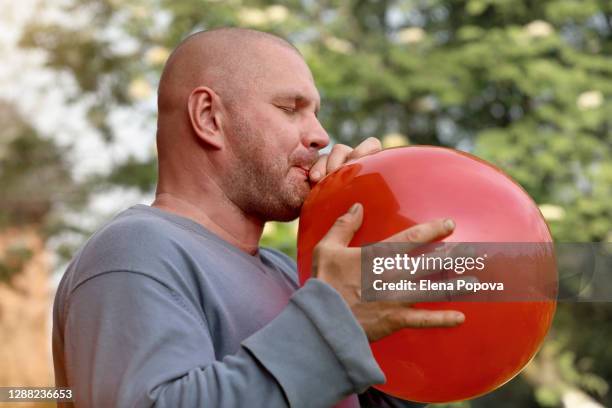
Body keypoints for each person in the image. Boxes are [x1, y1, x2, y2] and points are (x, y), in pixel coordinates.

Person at [52, 28, 465, 407]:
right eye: (290, 108)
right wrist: (329, 326)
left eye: (316, 112)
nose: (321, 135)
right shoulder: (135, 251)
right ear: (209, 117)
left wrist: (375, 231)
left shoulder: (291, 273)